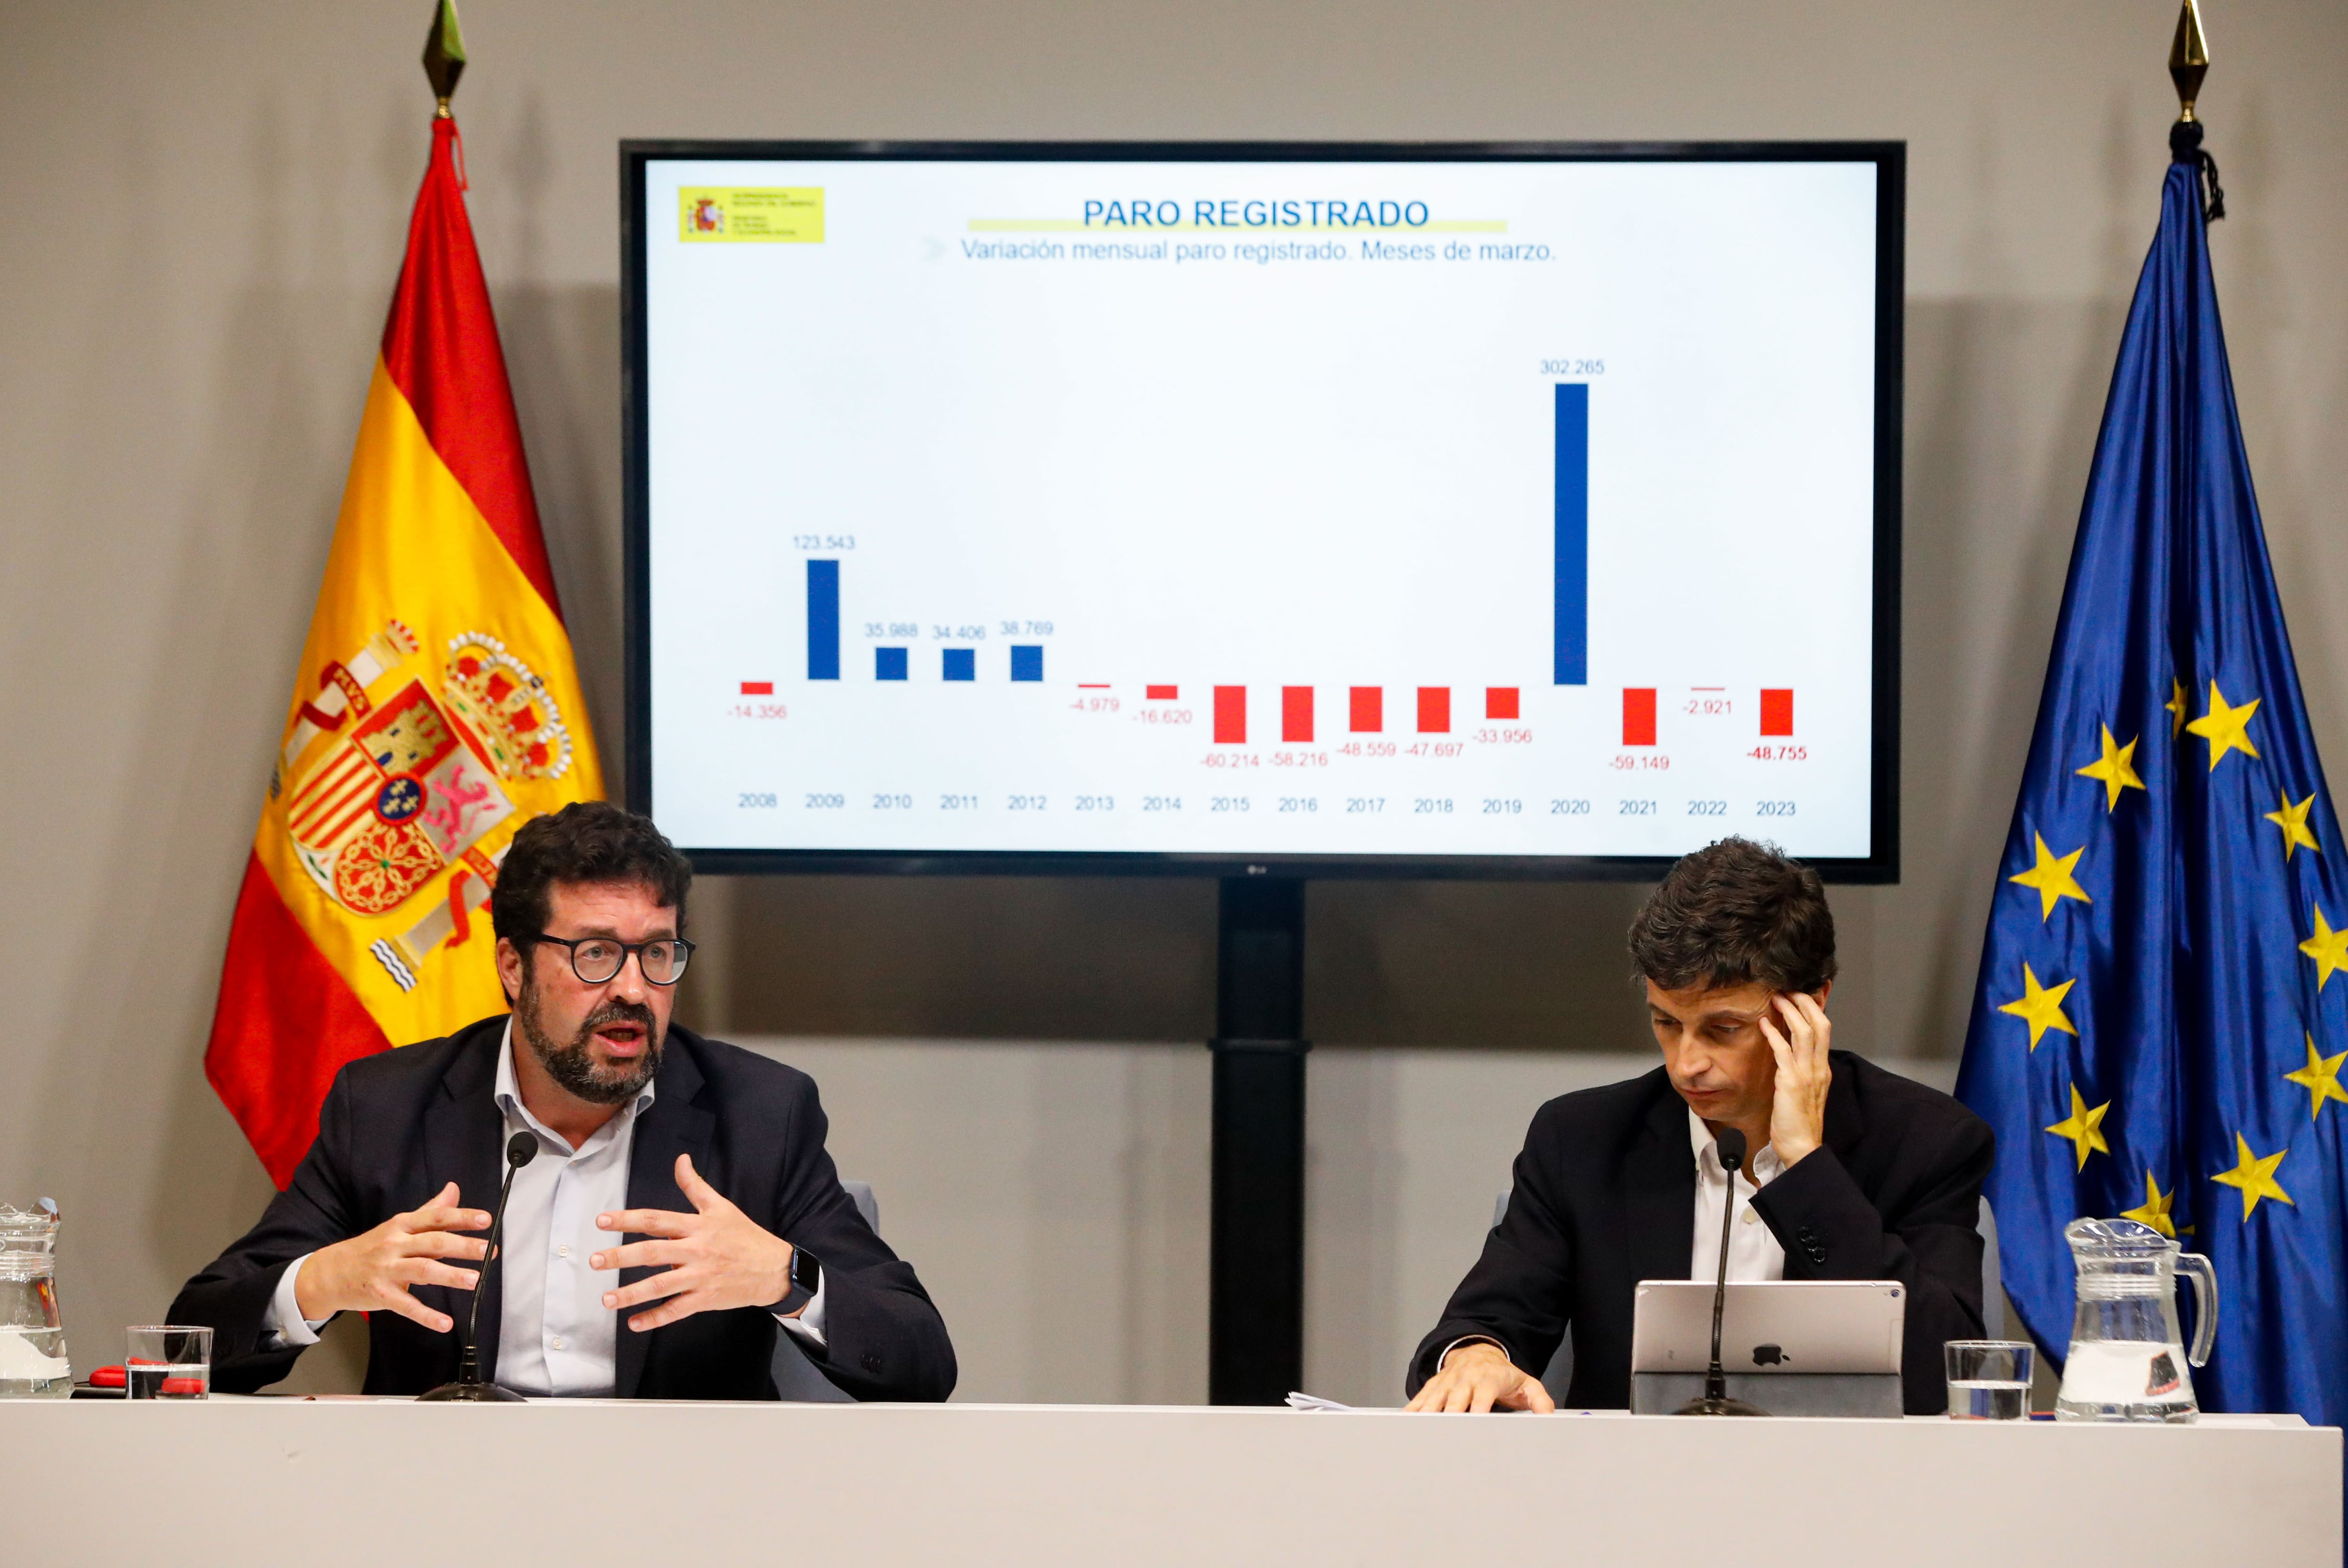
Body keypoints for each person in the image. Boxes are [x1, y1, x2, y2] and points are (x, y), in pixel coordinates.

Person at [173, 801, 956, 1401]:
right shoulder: (388, 1107)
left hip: (681, 1525)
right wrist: (318, 1281)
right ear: (513, 965)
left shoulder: (760, 1113)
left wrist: (786, 1275)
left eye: (656, 951)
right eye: (594, 952)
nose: (632, 988)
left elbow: (922, 1358)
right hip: (441, 1519)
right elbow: (190, 1341)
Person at [1405, 837, 1993, 1415]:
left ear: (1811, 1007)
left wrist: (1805, 1167)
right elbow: (1487, 1321)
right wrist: (1477, 1355)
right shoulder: (1581, 1139)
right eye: (1666, 1022)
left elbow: (1937, 1380)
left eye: (1723, 1028)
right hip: (1628, 1493)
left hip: (1845, 1492)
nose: (1685, 1063)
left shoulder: (1926, 1141)